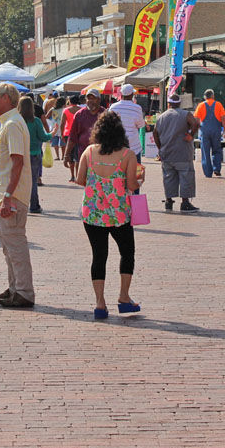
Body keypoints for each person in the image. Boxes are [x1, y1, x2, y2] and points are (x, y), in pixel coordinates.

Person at [76, 110, 141, 319]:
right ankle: (124, 297)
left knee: (99, 256)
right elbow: (132, 184)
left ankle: (100, 303)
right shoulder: (127, 155)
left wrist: (98, 185)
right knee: (127, 252)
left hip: (93, 213)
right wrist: (140, 179)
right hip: (119, 214)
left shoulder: (89, 152)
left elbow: (80, 179)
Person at [0, 84, 36, 308]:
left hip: (13, 195)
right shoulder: (10, 122)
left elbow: (18, 162)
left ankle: (24, 291)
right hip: (8, 194)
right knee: (9, 244)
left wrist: (8, 195)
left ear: (6, 99)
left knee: (15, 243)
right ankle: (15, 287)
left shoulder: (13, 124)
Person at [152, 94, 200, 213]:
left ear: (168, 104)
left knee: (168, 177)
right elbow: (195, 123)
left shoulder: (161, 117)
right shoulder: (185, 114)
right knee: (185, 177)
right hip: (182, 153)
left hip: (167, 153)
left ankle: (169, 201)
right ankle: (185, 203)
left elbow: (155, 133)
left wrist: (160, 148)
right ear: (180, 104)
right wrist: (190, 135)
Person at [19, 96, 51, 214]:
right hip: (34, 154)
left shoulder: (17, 121)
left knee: (20, 181)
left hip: (20, 154)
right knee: (32, 181)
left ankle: (20, 204)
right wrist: (51, 133)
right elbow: (43, 137)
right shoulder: (36, 121)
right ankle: (34, 206)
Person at [65, 90, 104, 179]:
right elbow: (72, 137)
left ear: (98, 100)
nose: (90, 101)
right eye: (88, 98)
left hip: (101, 156)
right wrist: (66, 155)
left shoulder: (105, 114)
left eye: (93, 98)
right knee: (86, 184)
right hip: (83, 155)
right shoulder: (79, 115)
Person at [110, 84, 145, 160]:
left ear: (121, 94)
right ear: (132, 94)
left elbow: (109, 124)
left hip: (117, 145)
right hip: (133, 146)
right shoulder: (137, 108)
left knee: (117, 171)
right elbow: (141, 125)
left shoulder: (113, 107)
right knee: (135, 170)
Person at [59, 95, 81, 181]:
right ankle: (78, 175)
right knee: (78, 156)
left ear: (70, 102)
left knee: (70, 156)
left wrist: (62, 134)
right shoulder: (81, 110)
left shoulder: (66, 110)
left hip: (68, 134)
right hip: (79, 134)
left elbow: (62, 123)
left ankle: (72, 176)